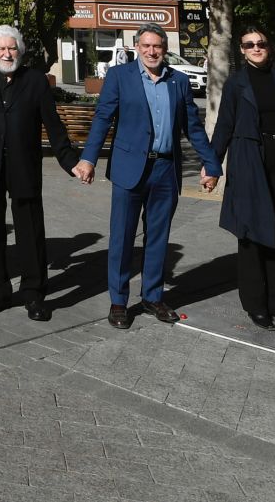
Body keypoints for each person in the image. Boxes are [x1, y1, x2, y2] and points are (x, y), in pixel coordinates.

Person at [74, 23, 220, 329]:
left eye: (158, 46)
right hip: (130, 169)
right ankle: (118, 301)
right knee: (123, 237)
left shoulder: (178, 81)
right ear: (137, 47)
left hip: (166, 169)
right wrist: (88, 158)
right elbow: (103, 118)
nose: (152, 51)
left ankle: (153, 296)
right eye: (146, 46)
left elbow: (193, 127)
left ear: (164, 50)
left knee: (158, 237)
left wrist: (212, 164)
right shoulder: (120, 77)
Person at [0, 25, 81, 321]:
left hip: (24, 166)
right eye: (2, 49)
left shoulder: (35, 80)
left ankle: (34, 294)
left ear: (20, 50)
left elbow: (54, 125)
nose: (7, 54)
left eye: (12, 48)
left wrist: (70, 161)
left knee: (30, 233)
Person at [209, 27, 275, 331]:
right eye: (249, 44)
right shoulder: (235, 84)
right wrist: (212, 167)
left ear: (269, 47)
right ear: (241, 50)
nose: (256, 48)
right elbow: (224, 126)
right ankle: (256, 306)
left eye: (261, 43)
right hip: (250, 163)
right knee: (253, 235)